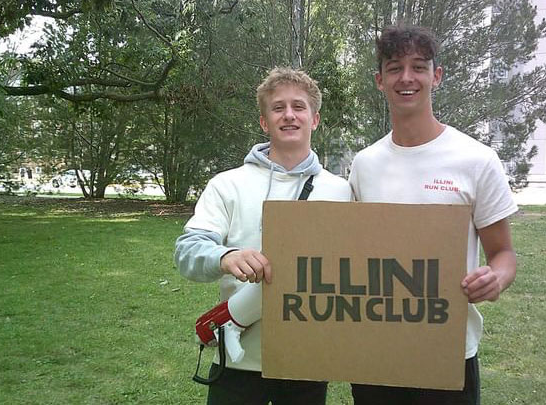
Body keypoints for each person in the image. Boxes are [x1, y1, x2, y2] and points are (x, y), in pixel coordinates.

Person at [348, 25, 518, 405]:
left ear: (436, 76)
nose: (406, 77)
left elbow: (504, 254)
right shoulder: (364, 164)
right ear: (380, 80)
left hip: (448, 353)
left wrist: (496, 278)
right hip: (376, 353)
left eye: (418, 67)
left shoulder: (476, 160)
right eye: (394, 68)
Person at [175, 67, 352, 404]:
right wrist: (226, 257)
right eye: (278, 107)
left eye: (299, 107)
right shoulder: (227, 184)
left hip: (306, 361)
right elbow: (187, 252)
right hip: (237, 363)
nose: (289, 115)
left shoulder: (341, 191)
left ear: (314, 119)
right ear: (263, 121)